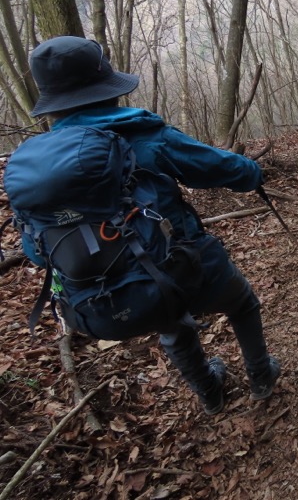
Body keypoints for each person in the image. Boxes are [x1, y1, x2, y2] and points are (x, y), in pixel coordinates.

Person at [24, 35, 280, 415]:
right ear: (108, 90)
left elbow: (36, 251)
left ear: (52, 105)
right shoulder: (145, 136)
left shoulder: (36, 171)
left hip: (99, 299)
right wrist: (252, 173)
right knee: (240, 302)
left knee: (167, 315)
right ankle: (261, 376)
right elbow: (221, 167)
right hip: (184, 268)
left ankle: (210, 392)